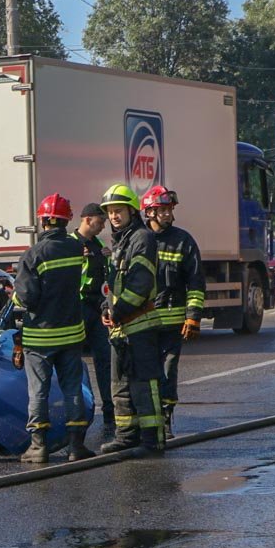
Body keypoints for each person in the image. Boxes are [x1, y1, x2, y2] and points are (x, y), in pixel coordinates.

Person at [10, 194, 94, 464]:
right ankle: (76, 447)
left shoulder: (33, 254)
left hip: (40, 337)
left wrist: (14, 296)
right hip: (71, 333)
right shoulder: (75, 248)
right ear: (67, 220)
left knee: (39, 392)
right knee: (73, 389)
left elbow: (25, 298)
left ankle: (38, 447)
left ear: (44, 220)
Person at [98, 184, 165, 456]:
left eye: (118, 211)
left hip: (140, 325)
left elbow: (139, 283)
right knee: (120, 384)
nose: (114, 216)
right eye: (110, 212)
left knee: (144, 384)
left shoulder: (142, 238)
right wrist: (106, 307)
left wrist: (118, 311)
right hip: (121, 327)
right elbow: (114, 284)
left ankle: (152, 439)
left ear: (132, 211)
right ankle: (126, 436)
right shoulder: (120, 242)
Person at [141, 185, 205, 439]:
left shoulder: (183, 241)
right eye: (162, 210)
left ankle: (165, 421)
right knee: (145, 373)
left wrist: (193, 316)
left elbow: (196, 282)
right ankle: (144, 424)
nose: (167, 214)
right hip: (141, 323)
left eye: (169, 210)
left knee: (168, 371)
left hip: (171, 323)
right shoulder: (138, 239)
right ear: (150, 212)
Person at [72, 203, 115, 437]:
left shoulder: (98, 245)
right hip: (78, 306)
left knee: (104, 359)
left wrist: (106, 258)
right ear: (88, 220)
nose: (103, 226)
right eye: (101, 222)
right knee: (74, 363)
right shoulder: (72, 243)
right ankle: (77, 414)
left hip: (96, 306)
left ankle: (109, 412)